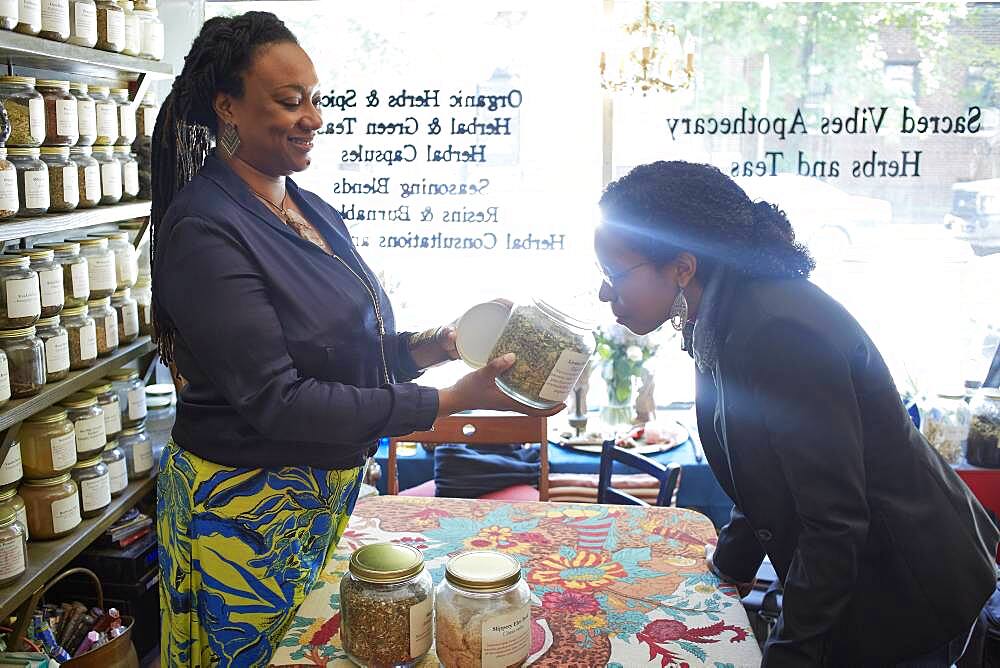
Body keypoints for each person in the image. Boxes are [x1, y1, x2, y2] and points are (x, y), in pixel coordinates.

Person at [150, 12, 560, 667]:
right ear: (227, 106)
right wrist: (449, 402)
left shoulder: (308, 208)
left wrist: (444, 343)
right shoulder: (206, 231)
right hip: (244, 513)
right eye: (289, 101)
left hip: (319, 497)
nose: (313, 116)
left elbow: (346, 349)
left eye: (316, 97)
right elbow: (280, 400)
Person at [594, 160, 999, 667]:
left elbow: (834, 522)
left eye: (613, 274)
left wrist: (790, 652)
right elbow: (764, 466)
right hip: (860, 567)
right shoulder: (722, 314)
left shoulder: (774, 330)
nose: (605, 292)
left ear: (682, 267)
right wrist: (732, 564)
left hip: (910, 579)